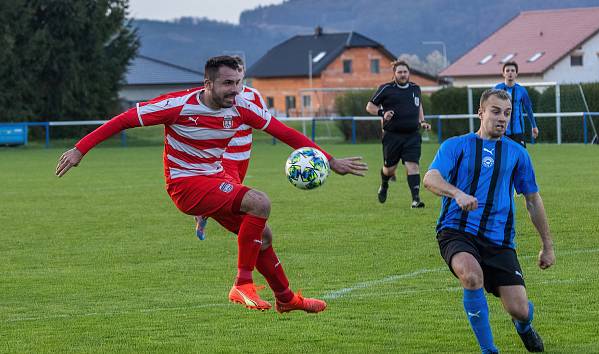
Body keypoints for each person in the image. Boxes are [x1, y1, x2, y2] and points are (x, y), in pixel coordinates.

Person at [56, 56, 368, 314]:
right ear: (208, 84)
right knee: (260, 202)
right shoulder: (177, 106)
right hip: (185, 186)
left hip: (213, 178)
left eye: (238, 82)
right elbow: (123, 120)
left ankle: (286, 299)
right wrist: (80, 150)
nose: (235, 89)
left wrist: (330, 160)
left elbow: (285, 133)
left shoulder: (242, 107)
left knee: (263, 234)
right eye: (227, 83)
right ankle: (242, 283)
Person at [423, 89, 555, 353]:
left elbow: (532, 200)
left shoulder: (517, 154)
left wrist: (547, 245)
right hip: (457, 231)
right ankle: (489, 350)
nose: (502, 118)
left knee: (519, 309)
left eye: (507, 113)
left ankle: (524, 326)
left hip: (499, 240)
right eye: (495, 112)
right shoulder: (455, 145)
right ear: (480, 113)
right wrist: (457, 193)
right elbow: (431, 178)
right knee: (471, 276)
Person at [194, 55, 267, 240]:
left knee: (235, 196)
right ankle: (249, 237)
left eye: (241, 72)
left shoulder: (253, 95)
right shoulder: (220, 96)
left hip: (244, 156)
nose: (238, 76)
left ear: (243, 73)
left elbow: (264, 119)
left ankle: (203, 213)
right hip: (225, 156)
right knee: (235, 201)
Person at [366, 60, 431, 208]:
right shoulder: (386, 88)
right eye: (399, 72)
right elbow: (370, 106)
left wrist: (422, 122)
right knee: (389, 169)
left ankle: (416, 200)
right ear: (394, 74)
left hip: (412, 135)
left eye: (405, 72)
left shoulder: (415, 88)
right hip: (392, 136)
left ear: (409, 73)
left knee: (413, 165)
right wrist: (382, 113)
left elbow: (418, 105)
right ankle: (384, 184)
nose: (403, 75)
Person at [494, 61, 538, 147]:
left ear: (516, 74)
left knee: (520, 159)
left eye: (512, 70)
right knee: (502, 159)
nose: (510, 73)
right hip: (501, 132)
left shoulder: (521, 90)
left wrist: (534, 126)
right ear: (503, 73)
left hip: (518, 132)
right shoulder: (497, 89)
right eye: (507, 71)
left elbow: (528, 109)